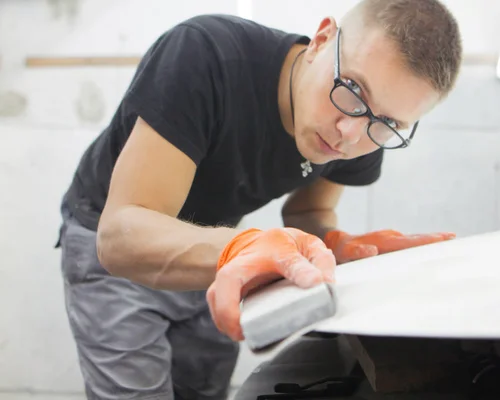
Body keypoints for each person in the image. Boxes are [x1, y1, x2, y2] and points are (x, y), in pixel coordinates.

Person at [55, 0, 462, 399]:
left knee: (202, 390)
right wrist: (243, 246)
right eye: (352, 88)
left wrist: (335, 244)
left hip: (215, 250)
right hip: (116, 236)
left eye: (388, 122)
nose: (349, 133)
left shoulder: (361, 131)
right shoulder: (205, 55)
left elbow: (308, 210)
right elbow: (119, 238)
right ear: (322, 40)